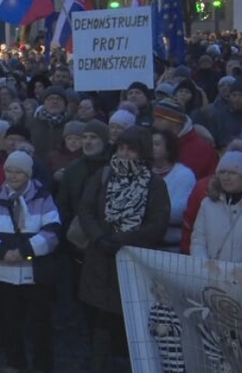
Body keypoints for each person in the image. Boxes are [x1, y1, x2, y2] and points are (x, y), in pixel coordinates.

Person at [78, 126, 169, 373]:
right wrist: (99, 237)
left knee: (127, 322)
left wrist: (122, 239)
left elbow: (157, 224)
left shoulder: (154, 184)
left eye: (131, 149)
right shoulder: (103, 175)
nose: (125, 153)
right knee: (99, 320)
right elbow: (85, 209)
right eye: (121, 148)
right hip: (99, 259)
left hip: (131, 261)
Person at [0, 151, 60, 373]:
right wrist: (2, 252)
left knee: (40, 325)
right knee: (9, 324)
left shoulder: (43, 197)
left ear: (28, 174)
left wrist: (25, 252)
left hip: (34, 273)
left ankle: (43, 366)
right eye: (9, 171)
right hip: (3, 273)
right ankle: (15, 363)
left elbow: (52, 232)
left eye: (18, 171)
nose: (12, 176)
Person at [150, 130, 196, 252]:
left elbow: (179, 211)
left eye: (157, 144)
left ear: (169, 147)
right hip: (143, 243)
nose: (151, 147)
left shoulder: (184, 175)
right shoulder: (142, 172)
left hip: (172, 246)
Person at [27, 86, 69, 156]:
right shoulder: (31, 124)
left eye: (59, 99)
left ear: (65, 103)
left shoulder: (71, 123)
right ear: (44, 103)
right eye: (50, 98)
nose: (55, 101)